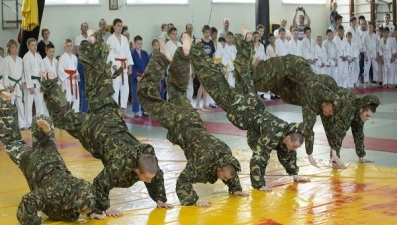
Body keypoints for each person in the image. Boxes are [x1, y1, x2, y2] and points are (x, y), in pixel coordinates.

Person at [40, 29, 172, 216]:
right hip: (95, 130)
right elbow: (100, 183)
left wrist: (160, 199)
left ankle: (94, 44)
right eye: (147, 178)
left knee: (100, 88)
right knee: (63, 117)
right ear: (136, 170)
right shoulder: (120, 167)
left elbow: (156, 176)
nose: (149, 180)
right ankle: (51, 83)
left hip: (112, 117)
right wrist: (104, 207)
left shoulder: (148, 158)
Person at [190, 26, 310, 191]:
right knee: (215, 82)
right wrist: (259, 184)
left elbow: (287, 155)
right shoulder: (274, 134)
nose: (293, 149)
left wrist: (295, 174)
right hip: (241, 109)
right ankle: (195, 49)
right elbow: (258, 158)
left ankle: (246, 41)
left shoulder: (286, 134)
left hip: (253, 102)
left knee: (243, 73)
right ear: (288, 139)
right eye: (294, 146)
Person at [137, 35, 248, 207]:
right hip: (179, 121)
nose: (224, 180)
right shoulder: (202, 164)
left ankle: (182, 54)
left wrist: (235, 188)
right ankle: (160, 58)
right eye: (224, 178)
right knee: (145, 95)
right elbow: (182, 181)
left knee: (178, 91)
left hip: (193, 118)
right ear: (219, 168)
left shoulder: (225, 154)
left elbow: (229, 170)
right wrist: (194, 200)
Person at [251, 40, 379, 169]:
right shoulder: (313, 97)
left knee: (276, 86)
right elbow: (309, 128)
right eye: (367, 115)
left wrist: (335, 154)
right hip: (292, 66)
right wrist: (310, 154)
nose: (330, 113)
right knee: (261, 82)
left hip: (293, 85)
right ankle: (255, 65)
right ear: (325, 104)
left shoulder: (330, 102)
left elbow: (332, 129)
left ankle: (261, 65)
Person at [0, 86, 104, 224]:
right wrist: (33, 222)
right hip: (35, 164)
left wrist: (95, 210)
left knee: (46, 140)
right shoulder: (53, 194)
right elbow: (28, 200)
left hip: (54, 161)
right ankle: (6, 103)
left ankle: (46, 131)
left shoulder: (82, 187)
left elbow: (90, 195)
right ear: (76, 207)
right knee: (13, 141)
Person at [107, 18, 134, 117]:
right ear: (114, 27)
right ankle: (115, 111)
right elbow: (109, 54)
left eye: (121, 25)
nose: (120, 27)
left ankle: (124, 110)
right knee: (115, 88)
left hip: (124, 66)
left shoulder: (124, 38)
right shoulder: (110, 39)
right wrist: (114, 66)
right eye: (118, 25)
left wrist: (130, 66)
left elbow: (128, 53)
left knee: (125, 88)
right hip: (116, 67)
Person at [3, 39, 27, 129]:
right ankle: (10, 124)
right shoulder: (6, 60)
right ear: (9, 48)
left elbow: (23, 73)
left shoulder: (20, 60)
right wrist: (8, 85)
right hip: (11, 85)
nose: (14, 49)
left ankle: (22, 124)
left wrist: (22, 83)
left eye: (15, 47)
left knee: (20, 105)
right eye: (12, 47)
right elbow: (5, 73)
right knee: (10, 105)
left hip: (19, 84)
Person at [23, 38, 47, 127]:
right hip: (31, 83)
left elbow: (42, 69)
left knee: (39, 103)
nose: (34, 47)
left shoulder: (38, 56)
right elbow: (27, 72)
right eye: (32, 45)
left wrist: (42, 83)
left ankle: (40, 122)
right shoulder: (26, 57)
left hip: (39, 81)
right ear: (28, 46)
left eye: (35, 45)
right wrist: (30, 86)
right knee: (29, 104)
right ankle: (28, 124)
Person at [195, 25, 215, 110]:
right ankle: (197, 103)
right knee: (202, 85)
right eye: (206, 32)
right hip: (202, 66)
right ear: (203, 32)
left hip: (209, 66)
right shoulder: (200, 41)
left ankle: (204, 103)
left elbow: (213, 54)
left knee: (207, 86)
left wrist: (212, 64)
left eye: (209, 32)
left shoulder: (211, 42)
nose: (207, 34)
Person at [58, 39, 80, 112]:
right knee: (68, 98)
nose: (69, 47)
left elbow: (76, 69)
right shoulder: (62, 58)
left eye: (71, 46)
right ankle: (69, 116)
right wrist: (68, 76)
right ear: (64, 47)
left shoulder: (74, 57)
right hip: (67, 81)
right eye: (67, 46)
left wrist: (77, 75)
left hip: (74, 80)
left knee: (76, 98)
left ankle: (76, 115)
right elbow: (60, 70)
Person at [131, 35, 150, 117]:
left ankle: (144, 110)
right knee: (136, 94)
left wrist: (146, 76)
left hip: (144, 76)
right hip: (136, 77)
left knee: (144, 94)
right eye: (138, 43)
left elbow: (148, 65)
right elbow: (131, 66)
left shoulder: (145, 53)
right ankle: (136, 111)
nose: (140, 45)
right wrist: (136, 77)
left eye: (141, 43)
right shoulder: (132, 54)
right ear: (135, 44)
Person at [362, 22, 379, 88]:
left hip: (374, 54)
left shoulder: (376, 36)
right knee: (366, 69)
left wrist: (377, 54)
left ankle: (377, 82)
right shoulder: (365, 36)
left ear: (373, 28)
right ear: (367, 27)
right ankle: (365, 83)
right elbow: (364, 46)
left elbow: (378, 46)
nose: (370, 28)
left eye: (371, 27)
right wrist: (365, 54)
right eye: (369, 27)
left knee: (376, 68)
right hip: (367, 54)